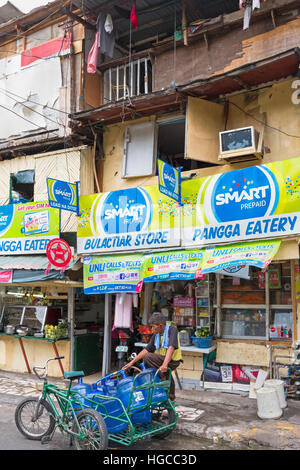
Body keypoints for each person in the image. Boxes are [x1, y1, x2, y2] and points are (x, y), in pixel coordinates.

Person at [122, 312, 182, 401]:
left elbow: (171, 347)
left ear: (161, 325)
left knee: (148, 357)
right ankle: (170, 396)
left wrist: (165, 365)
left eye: (153, 326)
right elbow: (146, 349)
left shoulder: (172, 330)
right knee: (149, 363)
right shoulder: (156, 335)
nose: (152, 328)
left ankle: (162, 381)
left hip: (173, 360)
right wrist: (131, 363)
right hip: (163, 360)